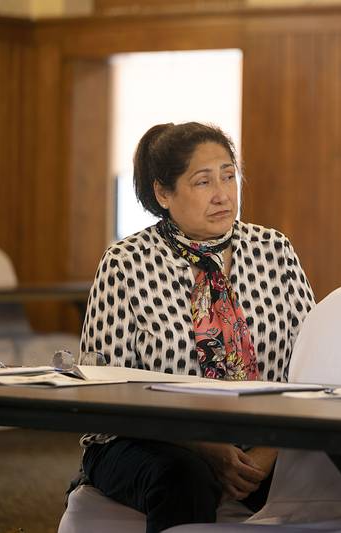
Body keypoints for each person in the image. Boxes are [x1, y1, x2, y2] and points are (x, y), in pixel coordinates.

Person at [77, 122, 315, 533]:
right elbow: (104, 391)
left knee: (338, 470)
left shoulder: (274, 250)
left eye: (228, 176)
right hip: (148, 439)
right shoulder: (126, 263)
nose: (223, 194)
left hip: (264, 434)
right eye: (203, 182)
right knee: (183, 476)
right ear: (163, 193)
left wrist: (270, 448)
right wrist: (202, 444)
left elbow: (315, 361)